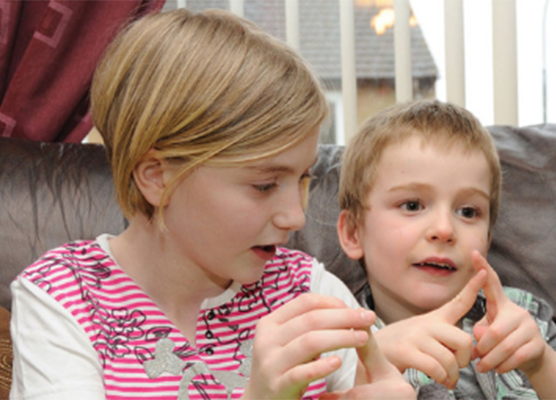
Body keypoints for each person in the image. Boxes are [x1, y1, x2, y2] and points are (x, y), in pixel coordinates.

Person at [9, 9, 413, 400]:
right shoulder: (61, 298)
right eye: (264, 184)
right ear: (157, 176)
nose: (296, 216)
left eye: (303, 179)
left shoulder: (309, 291)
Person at [336, 99, 556, 399]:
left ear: (487, 240)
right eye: (412, 205)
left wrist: (542, 365)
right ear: (354, 233)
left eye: (467, 212)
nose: (445, 230)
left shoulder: (522, 319)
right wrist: (363, 370)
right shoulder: (338, 346)